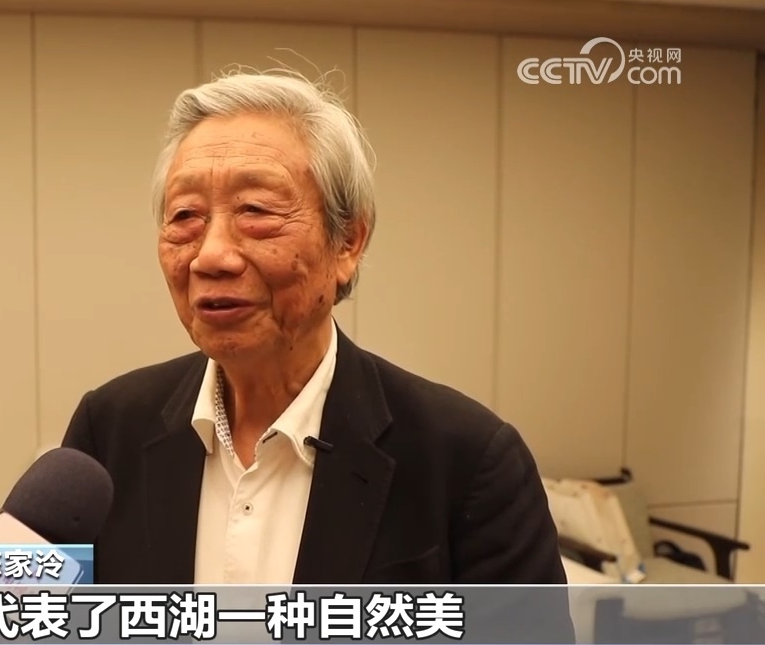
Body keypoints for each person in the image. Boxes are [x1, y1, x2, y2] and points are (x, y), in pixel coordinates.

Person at [61, 71, 568, 592]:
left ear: (347, 242)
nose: (210, 256)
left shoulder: (467, 462)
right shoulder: (108, 432)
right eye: (185, 215)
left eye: (256, 210)